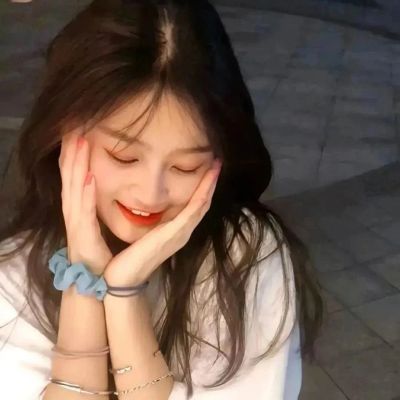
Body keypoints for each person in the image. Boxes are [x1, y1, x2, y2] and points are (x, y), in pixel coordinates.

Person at [0, 1, 323, 399]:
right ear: (66, 135)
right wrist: (83, 279)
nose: (150, 194)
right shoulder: (15, 273)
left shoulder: (243, 258)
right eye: (124, 156)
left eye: (186, 167)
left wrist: (123, 294)